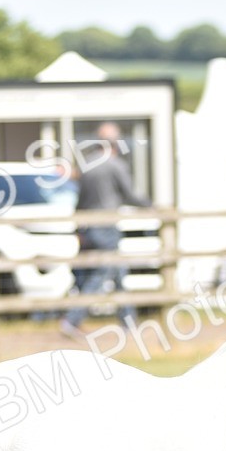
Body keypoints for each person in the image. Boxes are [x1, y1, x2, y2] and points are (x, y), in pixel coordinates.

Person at [60, 122, 148, 340]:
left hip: (89, 227)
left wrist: (78, 228)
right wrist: (151, 205)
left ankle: (129, 322)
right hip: (106, 227)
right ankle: (72, 320)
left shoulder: (87, 165)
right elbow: (130, 195)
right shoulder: (115, 165)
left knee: (116, 273)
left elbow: (80, 201)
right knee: (101, 274)